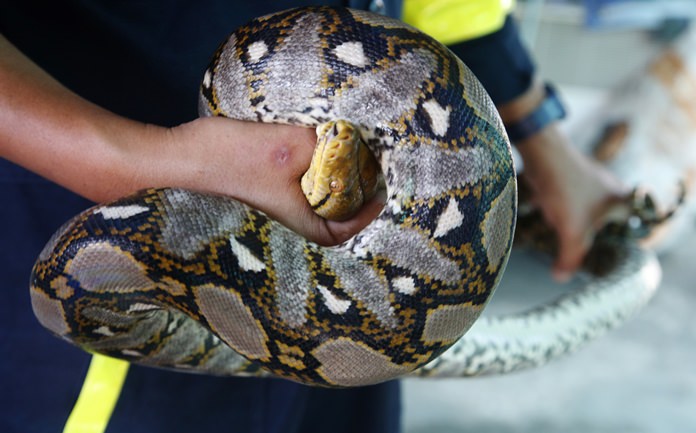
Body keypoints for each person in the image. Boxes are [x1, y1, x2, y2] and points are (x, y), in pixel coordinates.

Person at [0, 1, 627, 432]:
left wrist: (541, 135)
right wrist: (132, 163)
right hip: (120, 299)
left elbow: (458, 10)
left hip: (354, 347)